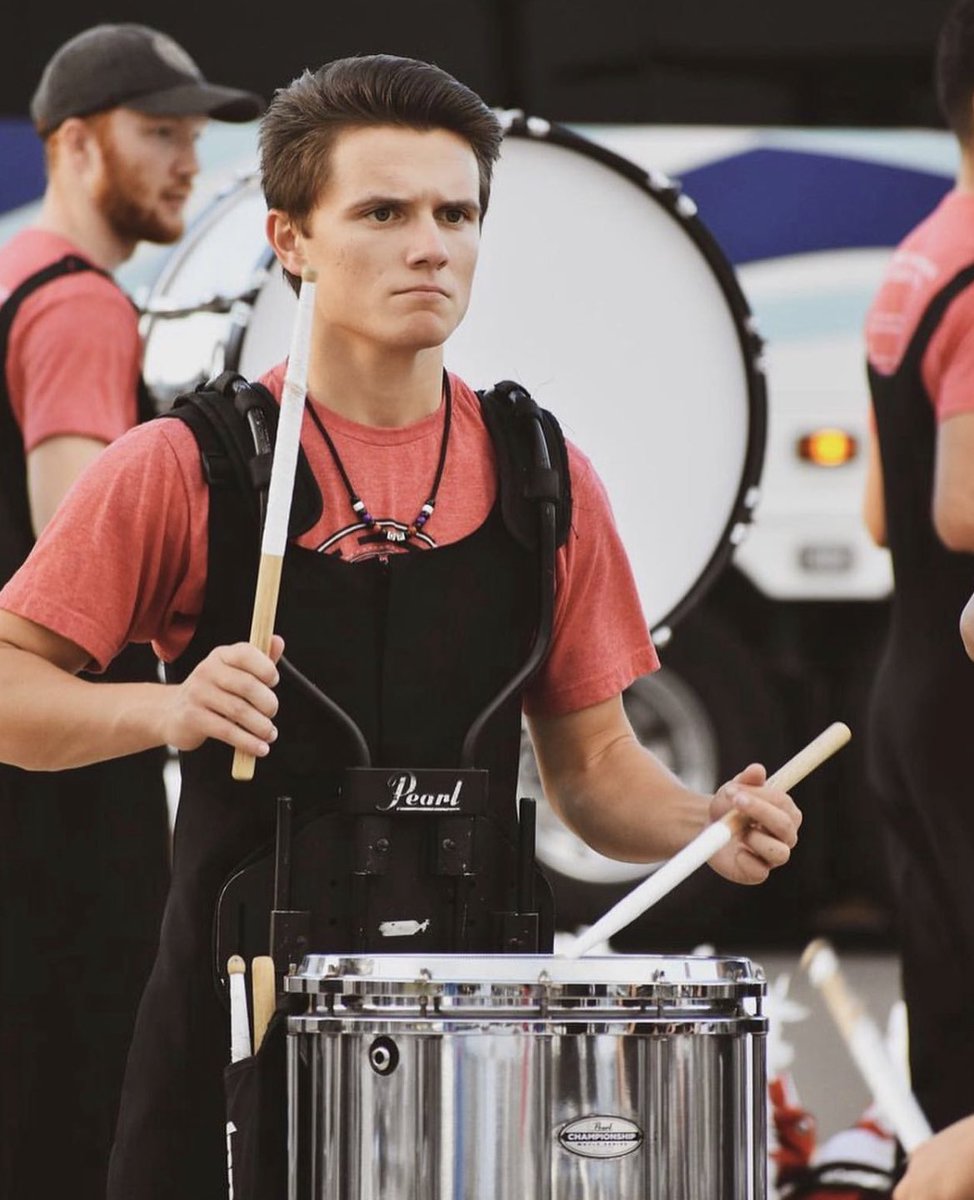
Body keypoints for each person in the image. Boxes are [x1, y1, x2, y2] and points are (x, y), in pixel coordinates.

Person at [0, 54, 801, 1200]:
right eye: (381, 212)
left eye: (455, 213)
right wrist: (165, 707)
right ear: (291, 241)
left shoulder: (545, 479)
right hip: (235, 1037)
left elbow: (595, 770)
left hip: (472, 1058)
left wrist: (700, 824)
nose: (430, 244)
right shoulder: (186, 468)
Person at [0, 23, 263, 1200]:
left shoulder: (8, 273)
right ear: (70, 142)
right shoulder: (80, 307)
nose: (185, 163)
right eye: (158, 132)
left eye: (194, 137)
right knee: (80, 1094)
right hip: (52, 764)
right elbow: (81, 562)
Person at [861, 0, 974, 1136]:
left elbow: (881, 509)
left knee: (948, 1029)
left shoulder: (919, 250)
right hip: (965, 678)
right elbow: (956, 508)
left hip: (911, 680)